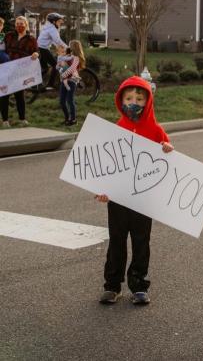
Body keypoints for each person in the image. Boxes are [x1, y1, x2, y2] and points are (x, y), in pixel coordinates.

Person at [95, 75, 174, 306]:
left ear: (148, 101)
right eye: (129, 98)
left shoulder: (156, 130)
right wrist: (102, 189)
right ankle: (112, 286)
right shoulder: (116, 129)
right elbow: (107, 164)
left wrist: (168, 149)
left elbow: (168, 158)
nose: (134, 103)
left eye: (139, 99)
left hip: (144, 199)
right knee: (116, 241)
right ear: (120, 100)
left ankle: (139, 285)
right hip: (118, 198)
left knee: (141, 242)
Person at [0, 16, 39, 128]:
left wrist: (36, 55)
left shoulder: (31, 39)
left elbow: (36, 52)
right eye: (17, 24)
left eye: (21, 23)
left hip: (20, 71)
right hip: (6, 69)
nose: (19, 26)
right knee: (4, 95)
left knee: (19, 96)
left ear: (26, 24)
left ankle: (22, 119)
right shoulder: (9, 36)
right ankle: (5, 121)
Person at [37, 12, 67, 88]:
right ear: (53, 22)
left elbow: (54, 41)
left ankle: (36, 84)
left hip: (41, 48)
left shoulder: (48, 27)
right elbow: (58, 40)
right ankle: (50, 84)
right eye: (59, 22)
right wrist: (68, 47)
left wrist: (60, 48)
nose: (60, 24)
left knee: (45, 69)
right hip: (43, 49)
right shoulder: (52, 29)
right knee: (55, 65)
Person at [59, 40, 85, 126]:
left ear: (74, 48)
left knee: (70, 100)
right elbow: (62, 66)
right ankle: (67, 118)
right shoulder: (67, 56)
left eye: (69, 46)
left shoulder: (76, 58)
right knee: (62, 101)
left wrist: (64, 75)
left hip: (72, 81)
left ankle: (73, 119)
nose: (67, 47)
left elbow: (72, 69)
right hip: (64, 80)